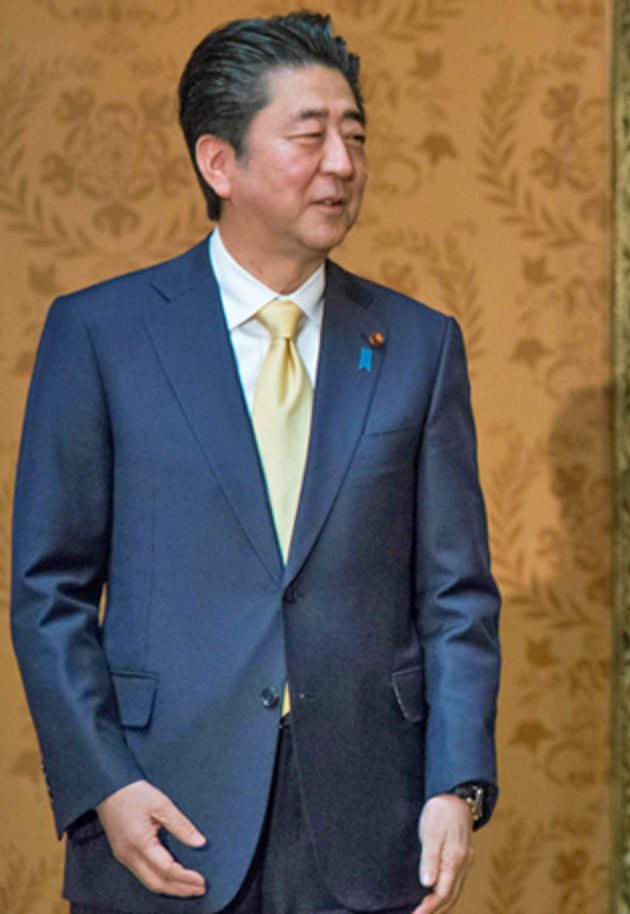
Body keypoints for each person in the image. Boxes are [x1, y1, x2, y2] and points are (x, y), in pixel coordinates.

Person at [10, 12, 500, 914]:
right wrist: (104, 783)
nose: (343, 164)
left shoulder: (418, 346)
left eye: (355, 136)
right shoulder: (103, 335)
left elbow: (456, 595)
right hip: (161, 809)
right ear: (218, 162)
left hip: (368, 818)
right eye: (310, 136)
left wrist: (456, 782)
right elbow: (51, 594)